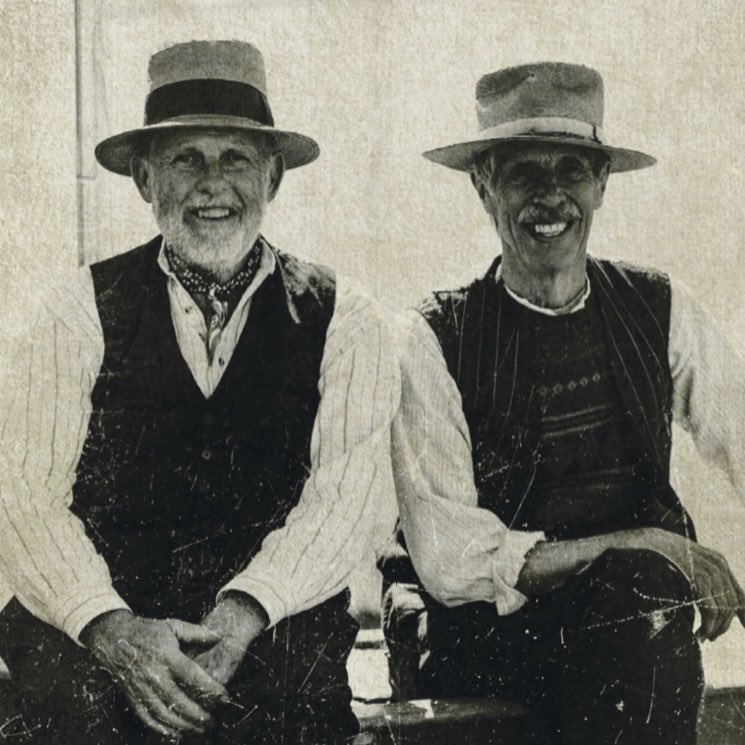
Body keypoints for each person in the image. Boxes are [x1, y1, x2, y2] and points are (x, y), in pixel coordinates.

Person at [0, 40, 398, 744]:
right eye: (187, 159)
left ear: (272, 177)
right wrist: (110, 626)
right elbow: (23, 497)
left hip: (266, 628)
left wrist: (244, 613)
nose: (213, 184)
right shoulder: (75, 309)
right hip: (103, 634)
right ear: (144, 180)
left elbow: (348, 502)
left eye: (236, 158)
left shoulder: (347, 316)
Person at [379, 62, 745, 745]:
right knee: (644, 587)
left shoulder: (657, 307)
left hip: (631, 637)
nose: (550, 198)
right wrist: (650, 542)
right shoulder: (432, 337)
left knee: (644, 603)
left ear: (601, 183)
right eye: (523, 174)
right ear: (483, 187)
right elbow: (455, 565)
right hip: (484, 644)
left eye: (570, 171)